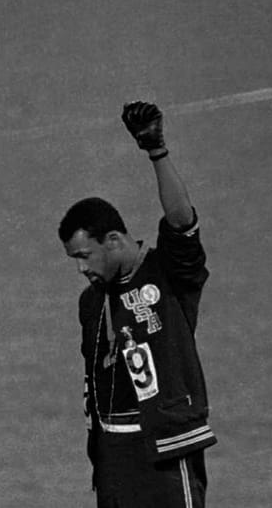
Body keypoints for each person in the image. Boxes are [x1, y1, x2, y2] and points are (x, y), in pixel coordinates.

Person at [58, 102, 216, 507]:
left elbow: (182, 221)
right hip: (113, 456)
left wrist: (156, 151)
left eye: (84, 256)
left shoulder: (168, 274)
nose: (81, 269)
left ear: (113, 240)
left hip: (164, 446)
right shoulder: (91, 303)